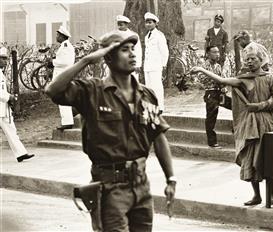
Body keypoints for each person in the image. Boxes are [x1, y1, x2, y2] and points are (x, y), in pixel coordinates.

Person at [45, 30, 176, 231]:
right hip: (109, 188)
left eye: (133, 49)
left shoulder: (146, 95)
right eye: (124, 50)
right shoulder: (91, 91)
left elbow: (158, 136)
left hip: (141, 186)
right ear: (108, 57)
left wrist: (171, 178)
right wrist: (86, 61)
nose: (132, 54)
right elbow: (53, 91)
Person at [191, 50, 273, 206]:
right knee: (250, 157)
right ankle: (257, 195)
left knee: (268, 158)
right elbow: (221, 80)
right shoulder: (243, 80)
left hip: (267, 123)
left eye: (253, 59)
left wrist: (259, 106)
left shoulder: (270, 78)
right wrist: (201, 69)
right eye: (247, 59)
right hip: (249, 124)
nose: (249, 62)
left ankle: (272, 195)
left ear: (261, 60)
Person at [0, 47, 34, 162]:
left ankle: (21, 153)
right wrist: (8, 97)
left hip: (3, 109)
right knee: (10, 129)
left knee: (11, 129)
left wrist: (9, 97)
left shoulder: (1, 72)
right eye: (2, 58)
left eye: (6, 58)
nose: (5, 61)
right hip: (1, 106)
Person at [199, 45, 230, 148]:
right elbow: (202, 80)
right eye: (214, 52)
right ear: (208, 54)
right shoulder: (203, 66)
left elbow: (222, 79)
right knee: (211, 117)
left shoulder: (218, 66)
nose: (217, 54)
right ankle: (212, 142)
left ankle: (237, 128)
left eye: (218, 52)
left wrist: (223, 85)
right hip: (210, 93)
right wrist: (217, 80)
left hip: (219, 93)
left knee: (236, 105)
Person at [143, 12, 169, 113]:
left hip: (156, 65)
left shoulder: (159, 35)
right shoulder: (147, 36)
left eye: (150, 22)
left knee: (157, 87)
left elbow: (164, 51)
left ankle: (160, 107)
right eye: (146, 22)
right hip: (148, 66)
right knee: (148, 87)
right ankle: (151, 107)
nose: (148, 24)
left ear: (155, 23)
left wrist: (164, 65)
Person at [52, 26, 76, 130]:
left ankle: (67, 122)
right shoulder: (64, 46)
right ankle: (72, 114)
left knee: (62, 99)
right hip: (63, 76)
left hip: (63, 76)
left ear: (62, 36)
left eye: (58, 35)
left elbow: (66, 62)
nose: (56, 37)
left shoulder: (66, 46)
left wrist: (52, 62)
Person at [116, 15, 142, 81]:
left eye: (121, 25)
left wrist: (138, 64)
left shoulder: (133, 35)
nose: (119, 27)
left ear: (126, 25)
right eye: (118, 25)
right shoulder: (115, 35)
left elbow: (138, 51)